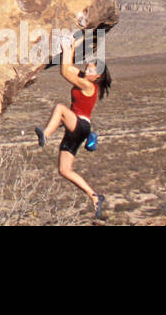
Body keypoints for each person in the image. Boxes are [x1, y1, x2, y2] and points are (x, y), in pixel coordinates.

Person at [34, 34, 112, 219]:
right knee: (64, 170)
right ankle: (95, 196)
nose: (86, 70)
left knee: (60, 108)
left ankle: (45, 134)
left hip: (81, 125)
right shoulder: (87, 79)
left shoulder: (88, 85)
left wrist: (67, 48)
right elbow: (69, 67)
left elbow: (64, 72)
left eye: (90, 69)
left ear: (97, 76)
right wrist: (73, 44)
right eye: (87, 67)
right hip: (77, 130)